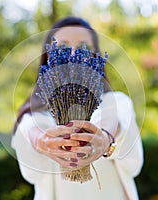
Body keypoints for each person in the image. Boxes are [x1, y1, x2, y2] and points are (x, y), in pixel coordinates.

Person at [11, 16, 143, 200]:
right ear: (48, 56)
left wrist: (105, 138)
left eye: (83, 47)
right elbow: (29, 133)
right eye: (63, 46)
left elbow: (114, 120)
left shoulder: (116, 101)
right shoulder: (33, 115)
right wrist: (40, 140)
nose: (73, 55)